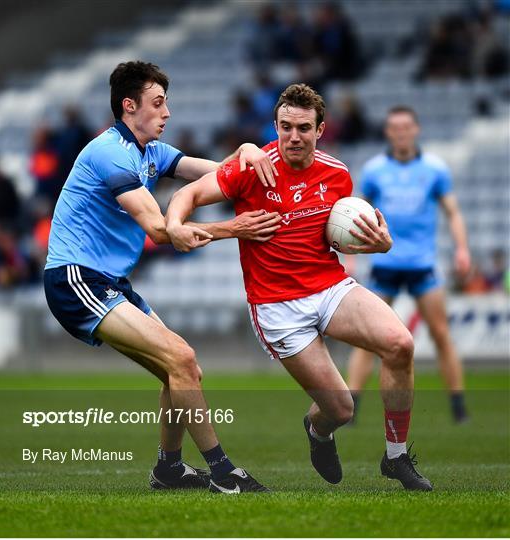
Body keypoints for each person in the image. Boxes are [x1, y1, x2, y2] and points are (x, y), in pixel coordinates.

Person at [166, 84, 433, 491]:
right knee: (340, 408)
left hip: (330, 287)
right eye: (285, 127)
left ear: (320, 129)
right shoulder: (251, 168)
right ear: (275, 126)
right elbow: (187, 194)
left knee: (400, 344)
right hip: (278, 306)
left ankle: (395, 458)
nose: (293, 136)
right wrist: (175, 225)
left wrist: (381, 243)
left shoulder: (337, 174)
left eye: (303, 128)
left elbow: (343, 235)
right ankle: (318, 430)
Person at [44, 61, 283, 494]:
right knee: (183, 359)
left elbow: (217, 174)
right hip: (75, 279)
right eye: (158, 103)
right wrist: (235, 229)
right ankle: (224, 472)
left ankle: (169, 470)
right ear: (129, 105)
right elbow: (160, 230)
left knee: (182, 370)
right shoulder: (110, 153)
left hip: (109, 283)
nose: (167, 112)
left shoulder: (150, 152)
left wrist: (247, 150)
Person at [346, 106, 471, 423]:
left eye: (406, 127)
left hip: (422, 264)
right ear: (388, 132)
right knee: (368, 339)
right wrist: (349, 256)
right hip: (384, 264)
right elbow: (355, 212)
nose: (400, 132)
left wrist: (462, 249)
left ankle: (458, 407)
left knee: (441, 335)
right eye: (394, 127)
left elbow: (452, 212)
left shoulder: (434, 169)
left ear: (415, 130)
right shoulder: (375, 170)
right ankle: (352, 407)